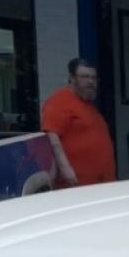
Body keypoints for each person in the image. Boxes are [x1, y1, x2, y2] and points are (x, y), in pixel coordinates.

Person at [41, 58, 116, 188]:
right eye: (85, 77)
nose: (91, 82)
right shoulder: (60, 101)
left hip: (100, 185)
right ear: (72, 78)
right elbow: (52, 137)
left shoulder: (87, 105)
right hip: (77, 186)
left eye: (94, 77)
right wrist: (66, 169)